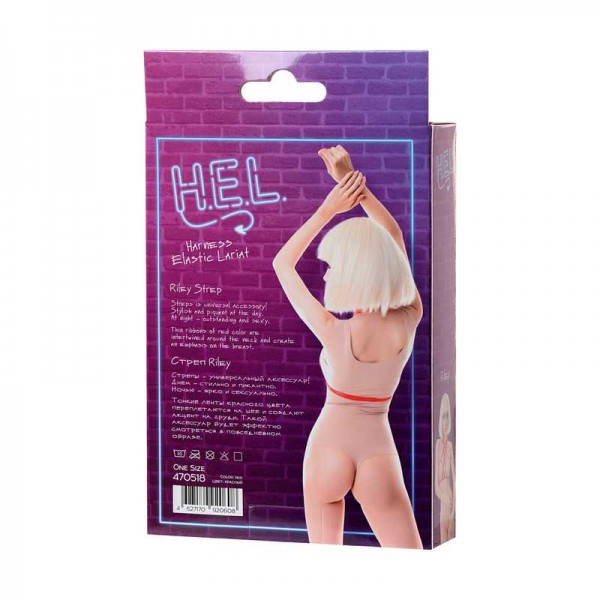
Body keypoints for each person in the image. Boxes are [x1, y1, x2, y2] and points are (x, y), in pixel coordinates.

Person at [272, 145, 423, 548]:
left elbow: (282, 264)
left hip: (328, 445)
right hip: (379, 452)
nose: (327, 276)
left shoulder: (332, 330)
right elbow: (392, 236)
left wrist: (329, 208)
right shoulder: (410, 316)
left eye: (333, 267)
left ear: (353, 273)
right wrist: (354, 184)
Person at [435, 393, 455, 542]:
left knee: (450, 532)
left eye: (448, 416)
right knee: (444, 531)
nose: (446, 421)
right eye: (443, 416)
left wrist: (454, 505)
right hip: (443, 495)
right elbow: (436, 482)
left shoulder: (450, 445)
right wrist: (443, 496)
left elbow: (455, 477)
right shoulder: (437, 444)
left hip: (449, 495)